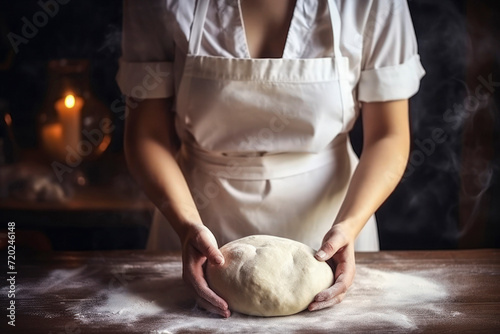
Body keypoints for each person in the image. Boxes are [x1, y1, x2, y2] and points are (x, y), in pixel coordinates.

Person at [117, 0, 425, 318]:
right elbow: (146, 135)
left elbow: (389, 135)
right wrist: (187, 227)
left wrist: (349, 226)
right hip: (196, 220)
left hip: (333, 227)